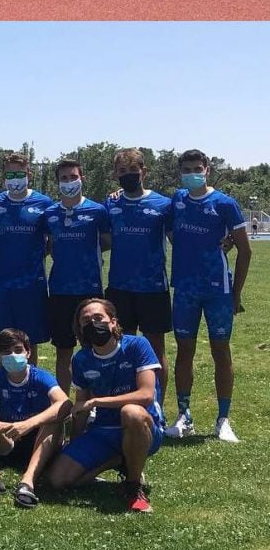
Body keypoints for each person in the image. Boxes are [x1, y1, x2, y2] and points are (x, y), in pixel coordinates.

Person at [48, 297, 165, 513]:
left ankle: (133, 485)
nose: (93, 323)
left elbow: (146, 395)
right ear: (80, 329)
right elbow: (81, 408)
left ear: (113, 322)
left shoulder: (137, 345)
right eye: (86, 320)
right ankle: (120, 459)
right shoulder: (81, 359)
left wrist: (97, 401)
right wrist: (75, 444)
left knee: (132, 412)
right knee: (58, 480)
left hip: (144, 427)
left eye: (98, 317)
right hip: (103, 430)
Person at [166, 149, 251, 444]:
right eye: (186, 169)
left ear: (207, 170)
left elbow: (245, 250)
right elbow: (165, 226)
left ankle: (223, 420)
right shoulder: (177, 200)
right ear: (180, 173)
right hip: (185, 290)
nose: (192, 173)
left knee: (221, 351)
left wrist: (236, 293)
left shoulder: (225, 203)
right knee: (184, 351)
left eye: (197, 168)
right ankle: (184, 416)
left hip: (218, 291)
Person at [0, 327, 70, 507]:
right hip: (8, 438)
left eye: (18, 350)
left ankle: (28, 482)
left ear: (28, 353)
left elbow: (65, 403)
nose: (13, 355)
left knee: (55, 418)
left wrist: (29, 424)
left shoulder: (40, 376)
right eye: (6, 352)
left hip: (39, 439)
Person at [104, 147, 174, 398]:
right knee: (120, 349)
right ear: (115, 174)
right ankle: (123, 401)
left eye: (133, 170)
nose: (128, 175)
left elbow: (181, 239)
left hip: (153, 288)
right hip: (119, 288)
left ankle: (157, 406)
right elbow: (102, 240)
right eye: (123, 171)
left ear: (144, 171)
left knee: (155, 350)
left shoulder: (164, 204)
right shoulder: (111, 203)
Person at [44, 159, 111, 391]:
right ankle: (63, 405)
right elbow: (49, 245)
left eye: (73, 177)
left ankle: (92, 403)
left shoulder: (98, 211)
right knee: (63, 350)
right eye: (64, 178)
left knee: (93, 347)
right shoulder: (49, 213)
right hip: (60, 290)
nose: (69, 182)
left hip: (90, 292)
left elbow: (106, 242)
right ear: (57, 183)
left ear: (82, 178)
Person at [0, 153, 51, 364]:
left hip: (32, 285)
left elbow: (52, 239)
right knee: (2, 339)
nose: (15, 178)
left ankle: (29, 386)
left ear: (29, 174)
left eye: (20, 174)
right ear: (4, 175)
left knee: (29, 340)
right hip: (1, 284)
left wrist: (37, 254)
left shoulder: (44, 202)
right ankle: (1, 388)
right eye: (10, 174)